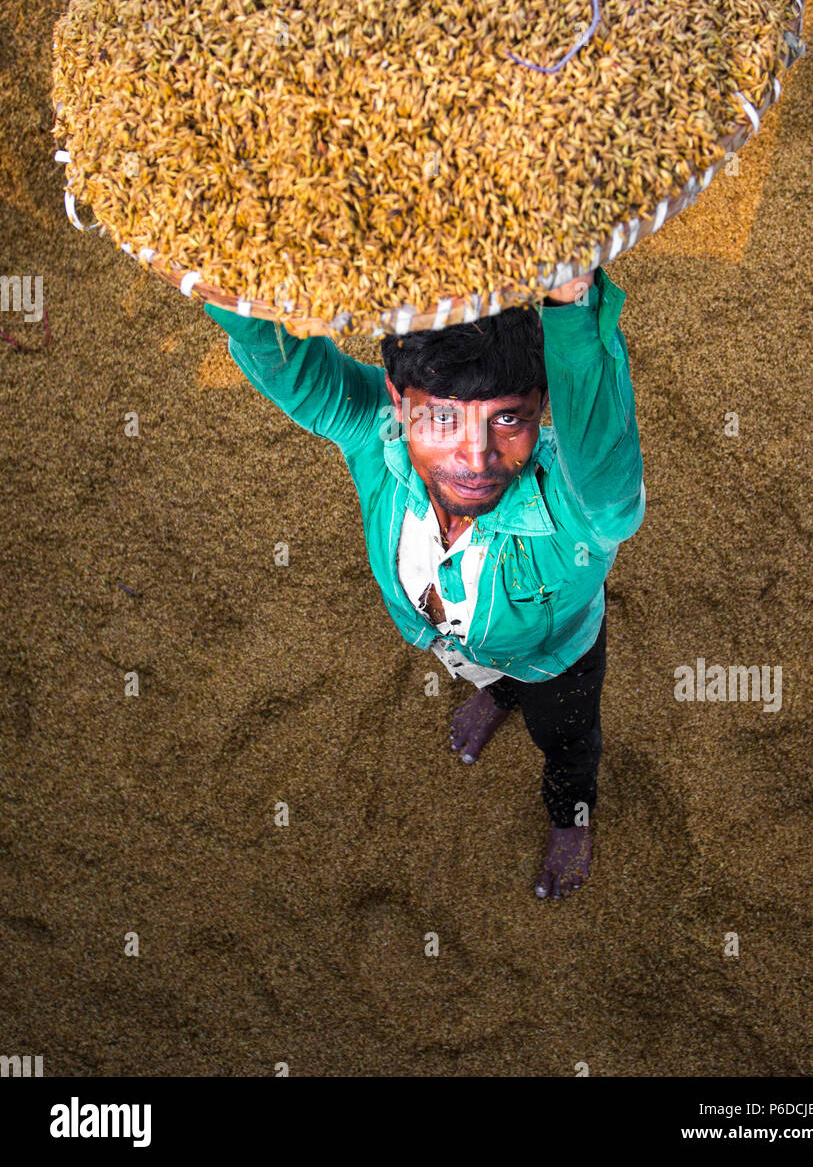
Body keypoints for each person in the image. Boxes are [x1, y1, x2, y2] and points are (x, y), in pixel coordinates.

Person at [204, 264, 645, 899]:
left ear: (544, 403)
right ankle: (498, 694)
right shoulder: (372, 434)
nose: (476, 459)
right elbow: (288, 365)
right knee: (489, 675)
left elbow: (603, 450)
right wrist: (226, 284)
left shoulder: (584, 509)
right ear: (395, 400)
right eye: (442, 419)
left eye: (508, 420)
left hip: (558, 659)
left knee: (567, 742)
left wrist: (570, 307)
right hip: (460, 645)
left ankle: (569, 817)